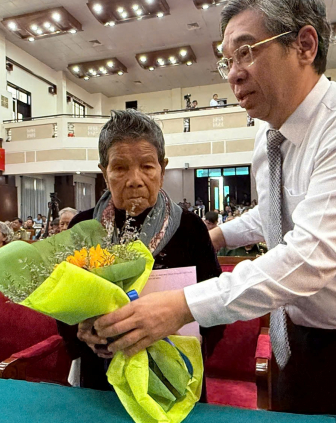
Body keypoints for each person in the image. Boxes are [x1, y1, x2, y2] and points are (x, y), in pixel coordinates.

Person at [87, 0, 336, 423]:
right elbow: (275, 215)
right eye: (226, 61)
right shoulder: (268, 134)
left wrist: (181, 306)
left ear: (304, 45)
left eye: (246, 53)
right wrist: (212, 237)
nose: (233, 75)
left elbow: (309, 256)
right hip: (299, 338)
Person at [65, 109, 222, 392]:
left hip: (174, 375)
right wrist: (82, 333)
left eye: (147, 167)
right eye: (120, 168)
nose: (135, 179)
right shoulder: (82, 227)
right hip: (103, 378)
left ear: (162, 169)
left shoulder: (190, 228)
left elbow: (216, 303)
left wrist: (190, 339)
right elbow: (63, 307)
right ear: (104, 172)